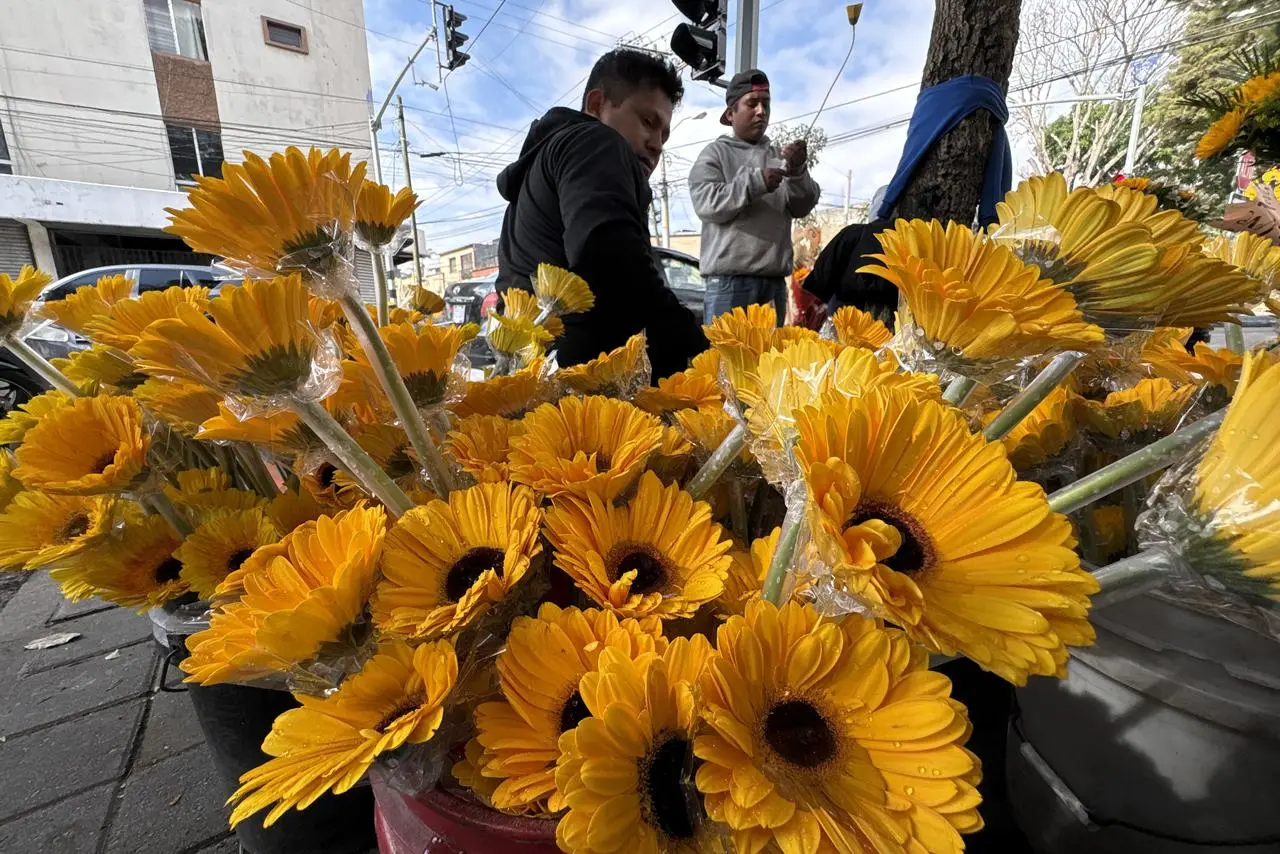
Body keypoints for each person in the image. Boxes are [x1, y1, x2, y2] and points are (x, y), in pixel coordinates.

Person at [494, 48, 707, 379]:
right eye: (648, 122)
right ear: (597, 105)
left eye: (665, 135)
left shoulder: (535, 174)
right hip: (584, 389)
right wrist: (700, 358)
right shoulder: (596, 141)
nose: (657, 144)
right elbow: (615, 264)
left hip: (533, 378)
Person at [688, 69, 821, 324]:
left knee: (769, 363)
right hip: (728, 285)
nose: (761, 111)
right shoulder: (715, 154)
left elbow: (803, 205)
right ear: (730, 114)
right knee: (727, 363)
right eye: (752, 104)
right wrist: (755, 182)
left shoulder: (780, 156)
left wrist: (797, 170)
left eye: (766, 104)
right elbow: (707, 203)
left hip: (773, 286)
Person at [801, 185, 898, 324]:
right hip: (892, 327)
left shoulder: (854, 234)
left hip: (845, 321)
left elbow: (821, 277)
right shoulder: (908, 241)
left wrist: (806, 316)